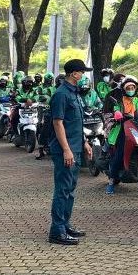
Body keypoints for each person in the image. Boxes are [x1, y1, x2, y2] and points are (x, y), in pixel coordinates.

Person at [46, 58, 93, 245]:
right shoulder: (61, 94)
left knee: (70, 190)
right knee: (62, 190)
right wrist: (66, 150)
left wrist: (84, 142)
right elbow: (58, 123)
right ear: (74, 74)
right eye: (81, 72)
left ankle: (65, 224)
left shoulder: (75, 93)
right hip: (65, 150)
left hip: (75, 147)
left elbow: (76, 123)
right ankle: (57, 231)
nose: (83, 75)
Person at [103, 75, 138, 194]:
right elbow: (116, 109)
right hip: (123, 129)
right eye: (128, 87)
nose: (131, 90)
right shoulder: (119, 101)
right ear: (124, 89)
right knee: (120, 153)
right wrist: (117, 114)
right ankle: (111, 181)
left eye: (133, 87)